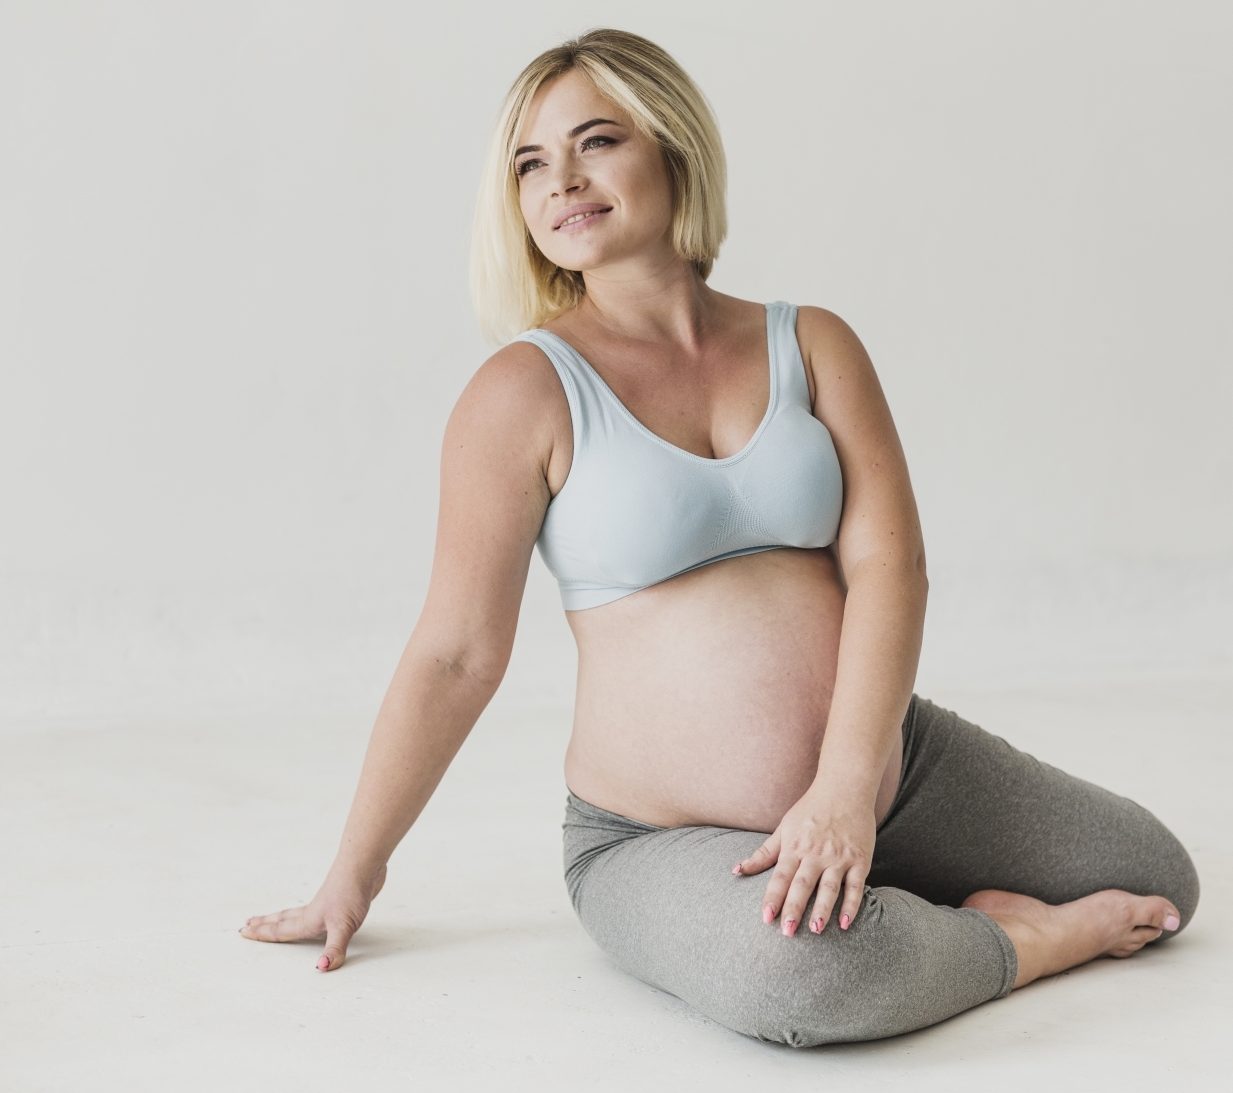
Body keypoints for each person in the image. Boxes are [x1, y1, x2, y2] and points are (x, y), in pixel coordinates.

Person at [240, 28, 1198, 1046]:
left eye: (593, 141)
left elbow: (888, 567)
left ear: (671, 148)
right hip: (657, 838)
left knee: (1150, 874)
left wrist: (843, 786)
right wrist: (354, 869)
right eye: (527, 163)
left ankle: (870, 871)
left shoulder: (811, 342)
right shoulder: (519, 394)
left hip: (880, 767)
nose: (558, 179)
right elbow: (454, 651)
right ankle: (1018, 942)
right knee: (810, 978)